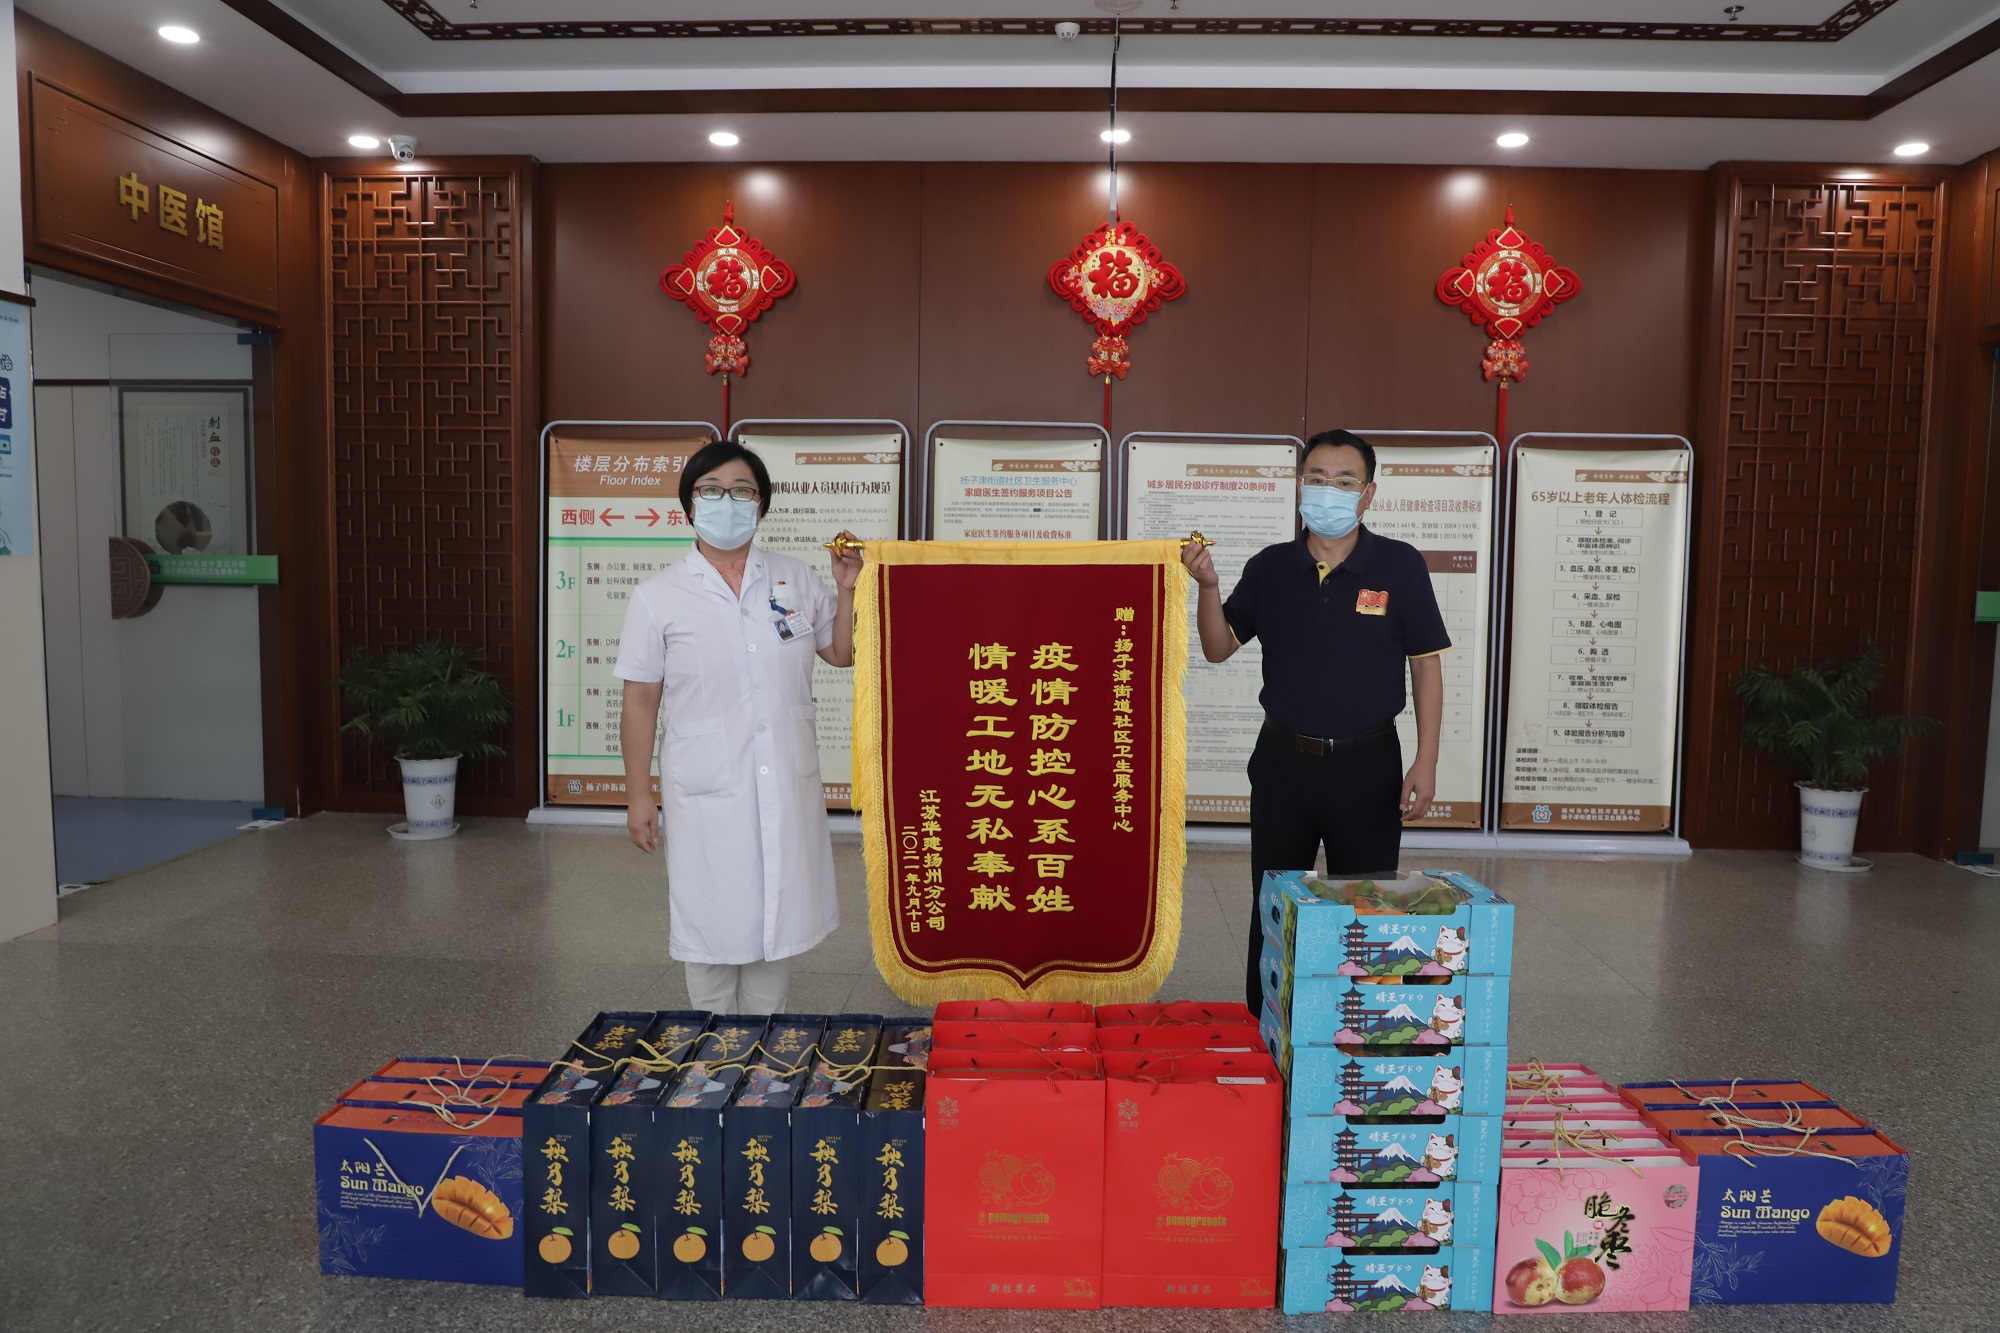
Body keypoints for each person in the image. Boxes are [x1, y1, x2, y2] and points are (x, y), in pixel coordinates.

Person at [1181, 429, 1450, 1015]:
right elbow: (1218, 648)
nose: (1329, 490)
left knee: (1368, 907)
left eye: (1345, 481)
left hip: (1368, 767)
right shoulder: (1272, 567)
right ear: (1300, 485)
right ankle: (1266, 1025)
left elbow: (1426, 666)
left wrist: (1425, 761)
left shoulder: (1400, 565)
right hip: (1283, 766)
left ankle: (1360, 1027)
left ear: (1369, 494)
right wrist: (1209, 587)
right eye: (1318, 479)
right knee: (1274, 905)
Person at [614, 438, 864, 1014]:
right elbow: (641, 701)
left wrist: (846, 588)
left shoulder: (794, 579)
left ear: (761, 504)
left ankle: (765, 1047)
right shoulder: (659, 596)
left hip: (784, 778)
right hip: (706, 784)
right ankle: (713, 1050)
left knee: (778, 918)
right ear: (690, 504)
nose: (726, 502)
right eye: (712, 490)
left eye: (742, 491)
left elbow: (841, 652)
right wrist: (638, 795)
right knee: (711, 918)